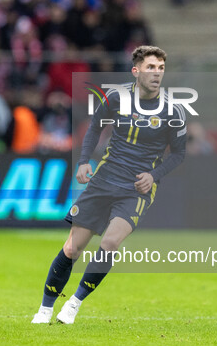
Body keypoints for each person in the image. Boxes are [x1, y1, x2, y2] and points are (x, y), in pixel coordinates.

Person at [31, 45, 187, 324]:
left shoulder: (173, 111)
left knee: (110, 242)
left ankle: (75, 303)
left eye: (161, 68)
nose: (157, 73)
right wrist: (83, 162)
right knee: (72, 249)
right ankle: (45, 309)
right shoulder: (116, 98)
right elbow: (94, 128)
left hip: (137, 188)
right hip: (104, 178)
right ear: (136, 70)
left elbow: (178, 154)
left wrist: (154, 175)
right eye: (151, 67)